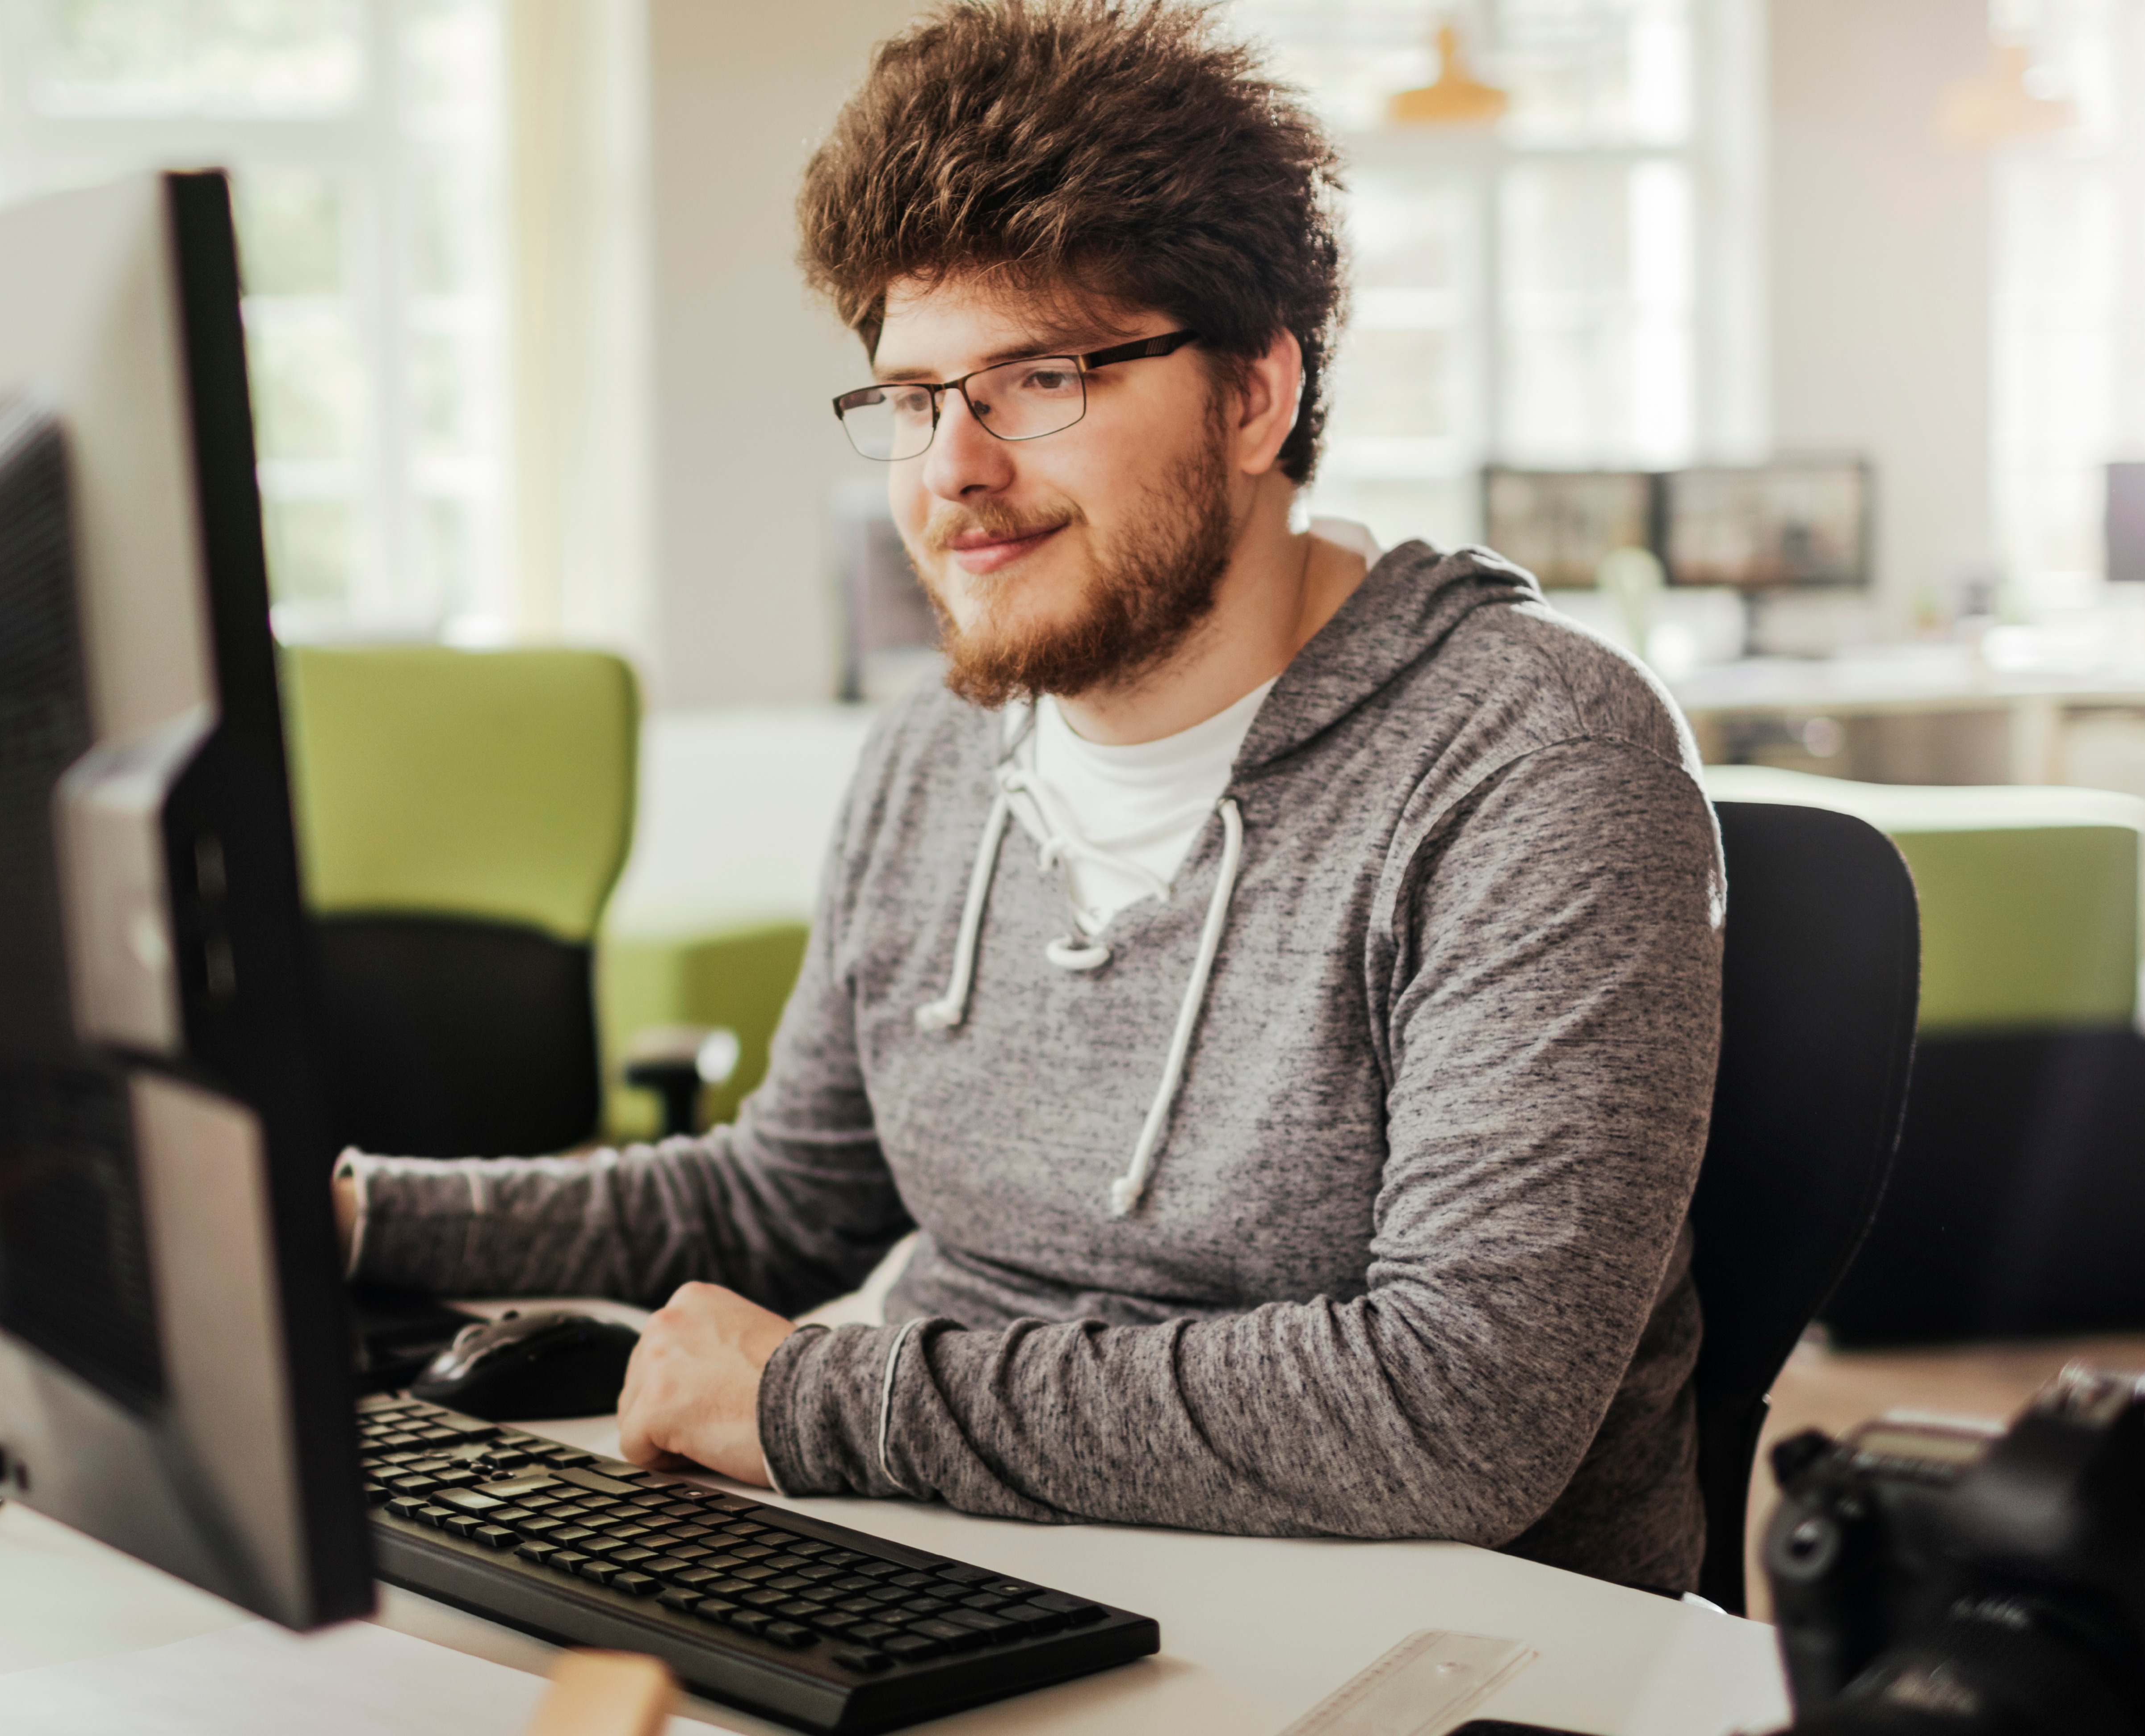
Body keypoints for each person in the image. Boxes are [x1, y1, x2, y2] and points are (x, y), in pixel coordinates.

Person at [337, 0, 1723, 1593]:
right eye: (916, 397)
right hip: (969, 1569)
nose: (952, 471)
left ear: (1256, 396)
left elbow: (1458, 1410)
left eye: (1038, 379)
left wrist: (810, 1399)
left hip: (1413, 1649)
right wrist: (359, 1219)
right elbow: (791, 1199)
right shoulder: (937, 753)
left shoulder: (1530, 759)